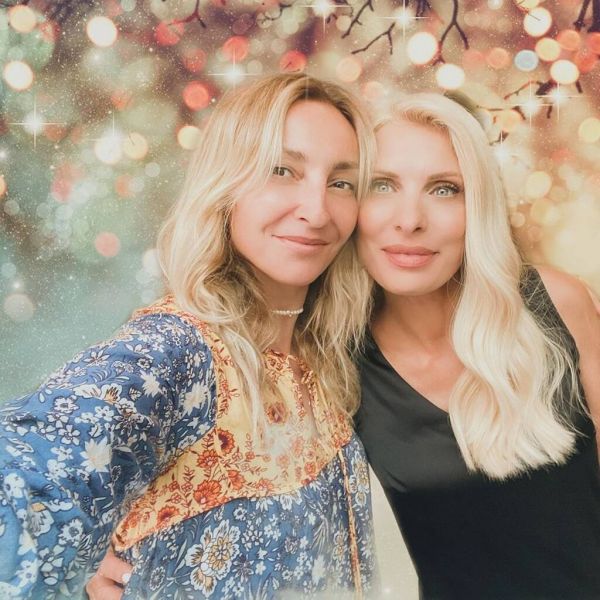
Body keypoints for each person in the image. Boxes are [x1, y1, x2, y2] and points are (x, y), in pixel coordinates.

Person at [0, 73, 379, 599]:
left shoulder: (328, 350)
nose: (317, 211)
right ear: (227, 184)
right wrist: (73, 551)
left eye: (341, 183)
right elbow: (26, 475)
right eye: (281, 170)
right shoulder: (176, 350)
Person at [354, 93, 600, 599]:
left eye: (444, 189)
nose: (409, 220)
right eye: (382, 185)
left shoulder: (557, 304)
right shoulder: (333, 363)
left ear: (478, 207)